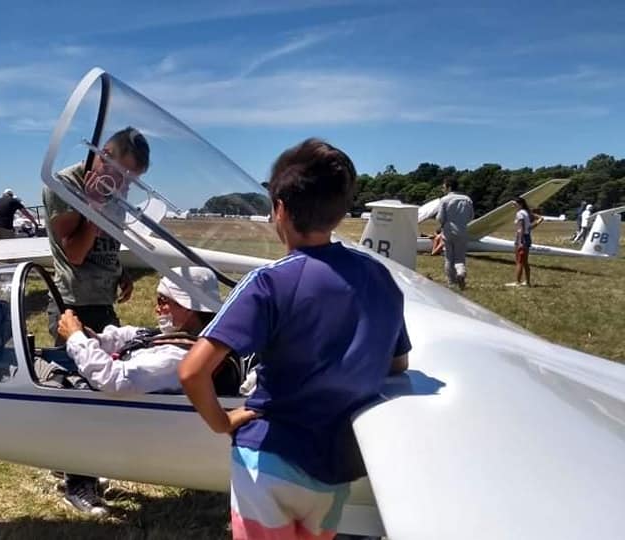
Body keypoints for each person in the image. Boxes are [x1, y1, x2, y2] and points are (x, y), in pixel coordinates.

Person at [177, 139, 411, 540]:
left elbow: (191, 372)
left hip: (269, 461)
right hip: (336, 468)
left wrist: (223, 422)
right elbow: (398, 363)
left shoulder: (268, 282)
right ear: (340, 212)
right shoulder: (380, 278)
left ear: (280, 209)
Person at [42, 126, 150, 515]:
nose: (124, 186)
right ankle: (78, 483)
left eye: (131, 181)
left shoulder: (113, 186)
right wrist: (94, 206)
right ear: (103, 154)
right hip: (73, 303)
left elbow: (104, 245)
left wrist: (118, 270)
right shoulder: (65, 184)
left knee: (104, 388)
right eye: (121, 175)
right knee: (78, 395)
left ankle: (75, 463)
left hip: (101, 301)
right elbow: (73, 253)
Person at [53, 267, 220, 395]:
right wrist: (91, 337)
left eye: (162, 301)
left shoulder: (177, 358)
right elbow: (127, 336)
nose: (157, 309)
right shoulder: (174, 338)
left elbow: (112, 379)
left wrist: (76, 339)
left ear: (187, 307)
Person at [433, 178, 474, 290]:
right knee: (460, 257)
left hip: (449, 231)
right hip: (463, 231)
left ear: (449, 187)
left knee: (449, 258)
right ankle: (461, 272)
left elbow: (440, 218)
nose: (443, 189)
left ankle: (451, 282)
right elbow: (471, 216)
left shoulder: (445, 200)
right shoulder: (467, 199)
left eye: (444, 186)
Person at [507, 196, 543, 287]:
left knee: (519, 261)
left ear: (520, 204)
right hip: (527, 237)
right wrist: (535, 224)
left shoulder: (520, 213)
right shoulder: (526, 212)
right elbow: (539, 219)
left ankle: (517, 282)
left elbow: (521, 228)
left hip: (522, 238)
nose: (513, 206)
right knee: (525, 262)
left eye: (514, 204)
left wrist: (520, 242)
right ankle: (527, 282)